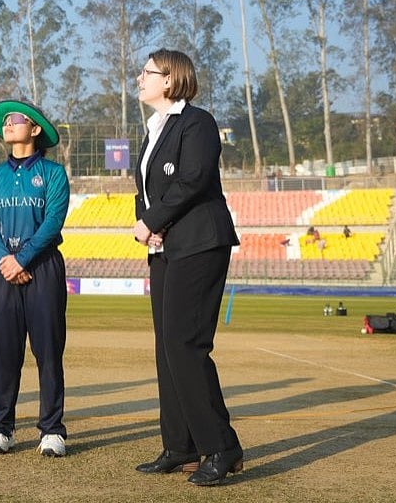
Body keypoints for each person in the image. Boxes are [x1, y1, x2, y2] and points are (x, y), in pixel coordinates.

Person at [132, 48, 243, 486]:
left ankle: (221, 446)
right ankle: (181, 447)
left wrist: (154, 220)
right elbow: (149, 189)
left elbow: (193, 177)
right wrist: (152, 226)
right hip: (167, 248)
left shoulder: (197, 122)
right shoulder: (154, 128)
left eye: (146, 73)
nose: (139, 79)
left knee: (186, 345)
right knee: (167, 347)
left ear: (170, 80)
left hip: (200, 243)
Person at [0, 100, 70, 457]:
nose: (7, 124)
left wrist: (23, 258)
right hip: (4, 271)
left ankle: (52, 429)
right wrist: (7, 260)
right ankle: (1, 427)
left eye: (15, 119)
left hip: (43, 267)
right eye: (4, 121)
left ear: (35, 130)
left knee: (48, 352)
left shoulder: (53, 174)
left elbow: (52, 223)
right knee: (5, 353)